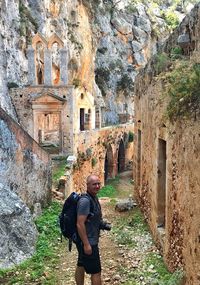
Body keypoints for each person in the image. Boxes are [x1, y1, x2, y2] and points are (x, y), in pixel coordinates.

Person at [75, 174, 110, 285]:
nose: (97, 186)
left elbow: (92, 218)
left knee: (81, 264)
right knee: (96, 272)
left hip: (85, 239)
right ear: (88, 185)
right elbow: (80, 224)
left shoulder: (93, 198)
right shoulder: (85, 201)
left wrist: (102, 225)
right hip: (88, 240)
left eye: (98, 183)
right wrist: (86, 244)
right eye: (94, 184)